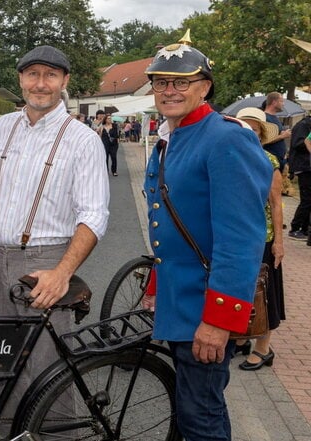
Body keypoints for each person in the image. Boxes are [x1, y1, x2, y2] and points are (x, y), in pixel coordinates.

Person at [141, 35, 272, 440]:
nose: (169, 91)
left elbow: (240, 238)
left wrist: (218, 321)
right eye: (161, 82)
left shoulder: (226, 137)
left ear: (205, 87)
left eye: (181, 82)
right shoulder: (170, 139)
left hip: (206, 308)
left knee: (201, 418)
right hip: (179, 301)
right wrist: (156, 284)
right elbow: (170, 227)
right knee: (196, 410)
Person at [0, 45, 109, 432]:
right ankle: (8, 435)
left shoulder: (83, 139)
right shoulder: (2, 126)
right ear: (20, 79)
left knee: (47, 368)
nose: (40, 84)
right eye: (32, 74)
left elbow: (94, 216)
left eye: (50, 75)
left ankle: (54, 437)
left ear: (64, 82)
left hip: (46, 258)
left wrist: (62, 273)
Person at [234, 107, 285, 371]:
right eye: (244, 128)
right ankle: (242, 337)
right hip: (238, 236)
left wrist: (278, 242)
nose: (250, 133)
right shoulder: (233, 158)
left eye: (254, 129)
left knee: (265, 293)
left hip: (263, 237)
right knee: (242, 289)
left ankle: (264, 348)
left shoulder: (269, 161)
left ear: (261, 133)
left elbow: (276, 204)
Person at [287, 112, 311, 241]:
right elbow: (298, 143)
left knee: (308, 199)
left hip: (307, 166)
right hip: (304, 167)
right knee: (306, 199)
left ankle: (304, 228)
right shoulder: (303, 125)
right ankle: (295, 228)